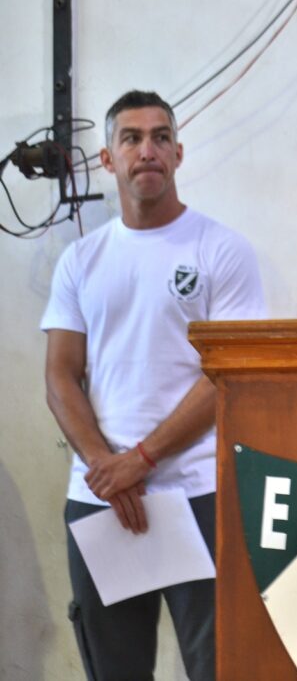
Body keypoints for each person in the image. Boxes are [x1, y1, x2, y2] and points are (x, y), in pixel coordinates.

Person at [41, 90, 266, 680]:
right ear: (107, 159)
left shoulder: (221, 250)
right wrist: (106, 466)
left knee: (218, 667)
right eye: (132, 139)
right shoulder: (81, 260)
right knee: (116, 670)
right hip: (102, 500)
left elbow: (227, 374)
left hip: (197, 491)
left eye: (161, 137)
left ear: (178, 153)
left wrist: (140, 460)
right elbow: (60, 375)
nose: (148, 150)